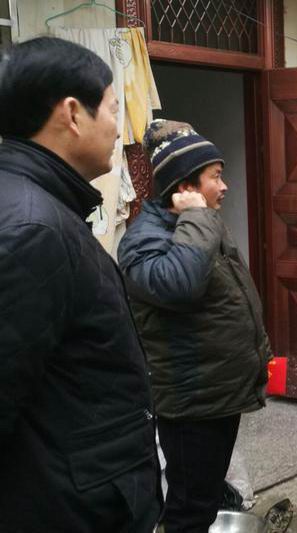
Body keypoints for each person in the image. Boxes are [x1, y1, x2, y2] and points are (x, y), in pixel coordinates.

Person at [0, 37, 161, 532]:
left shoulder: (39, 205)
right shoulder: (32, 230)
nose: (118, 128)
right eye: (113, 109)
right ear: (72, 114)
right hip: (72, 508)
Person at [118, 119, 271, 533]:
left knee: (204, 498)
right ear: (185, 187)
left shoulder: (199, 223)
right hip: (192, 402)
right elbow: (180, 286)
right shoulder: (144, 239)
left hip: (218, 394)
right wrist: (197, 218)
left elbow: (228, 294)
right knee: (190, 508)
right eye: (215, 177)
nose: (224, 186)